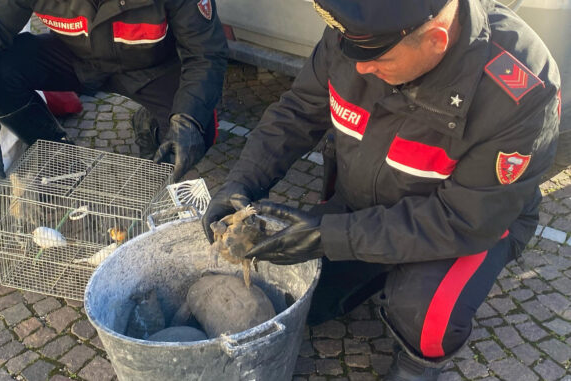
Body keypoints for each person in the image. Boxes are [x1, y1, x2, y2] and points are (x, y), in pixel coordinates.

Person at [202, 0, 561, 379]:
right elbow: (297, 111)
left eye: (378, 61)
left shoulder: (521, 91)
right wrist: (242, 181)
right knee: (308, 297)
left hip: (466, 223)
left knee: (422, 312)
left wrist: (331, 236)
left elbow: (464, 220)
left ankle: (418, 365)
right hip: (365, 201)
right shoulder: (360, 37)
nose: (359, 68)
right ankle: (374, 270)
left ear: (436, 42)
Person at [0, 0, 228, 202]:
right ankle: (59, 155)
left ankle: (152, 125)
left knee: (200, 132)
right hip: (76, 58)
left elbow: (206, 53)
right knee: (1, 73)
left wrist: (186, 120)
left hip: (150, 69)